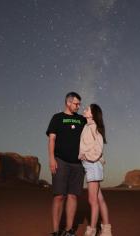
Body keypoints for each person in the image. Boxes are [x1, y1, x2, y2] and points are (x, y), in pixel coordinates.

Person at [46, 92, 87, 236]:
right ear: (68, 103)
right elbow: (51, 139)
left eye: (79, 104)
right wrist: (51, 159)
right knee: (59, 196)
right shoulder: (57, 118)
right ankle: (56, 231)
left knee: (73, 196)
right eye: (76, 103)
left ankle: (69, 231)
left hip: (78, 164)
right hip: (61, 161)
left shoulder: (82, 119)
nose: (78, 106)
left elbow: (92, 131)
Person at [78, 104, 112, 236]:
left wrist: (85, 156)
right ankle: (107, 231)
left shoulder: (94, 128)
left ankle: (91, 231)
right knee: (100, 199)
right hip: (91, 166)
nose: (84, 110)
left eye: (87, 109)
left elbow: (98, 150)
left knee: (93, 201)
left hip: (92, 166)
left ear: (92, 114)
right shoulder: (87, 126)